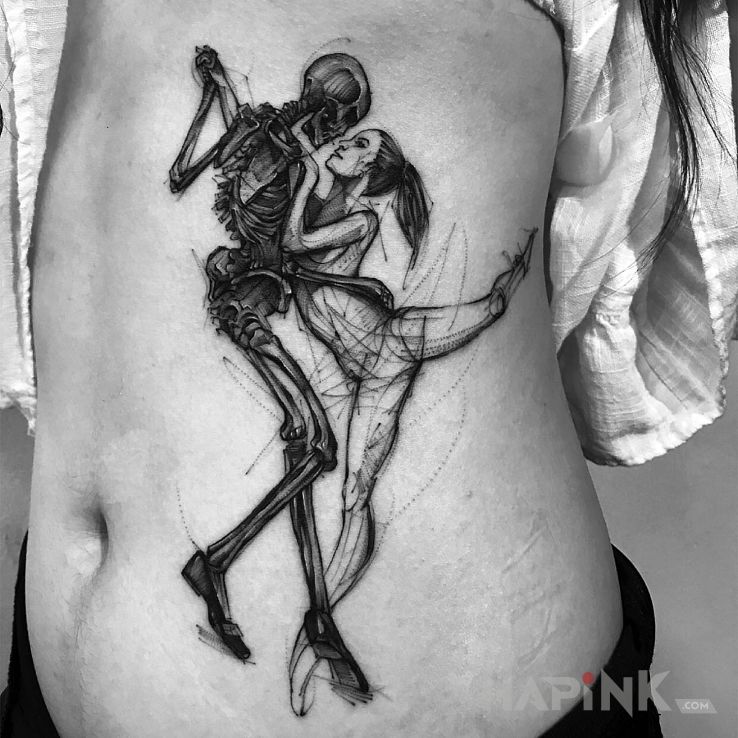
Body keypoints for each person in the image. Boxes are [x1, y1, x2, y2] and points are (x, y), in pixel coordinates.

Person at [0, 1, 735, 737]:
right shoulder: (286, 150)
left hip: (460, 680)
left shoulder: (342, 205)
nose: (338, 137)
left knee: (338, 459)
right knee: (323, 452)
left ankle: (281, 599)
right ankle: (269, 593)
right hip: (49, 658)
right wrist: (229, 104)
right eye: (342, 126)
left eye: (351, 137)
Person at [282, 123, 535, 712]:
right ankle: (319, 626)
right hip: (370, 363)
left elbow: (294, 243)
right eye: (354, 137)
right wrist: (308, 165)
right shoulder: (326, 200)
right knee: (354, 498)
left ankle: (315, 627)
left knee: (355, 499)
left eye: (363, 147)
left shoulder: (359, 220)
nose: (347, 143)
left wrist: (311, 171)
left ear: (370, 174)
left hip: (392, 348)